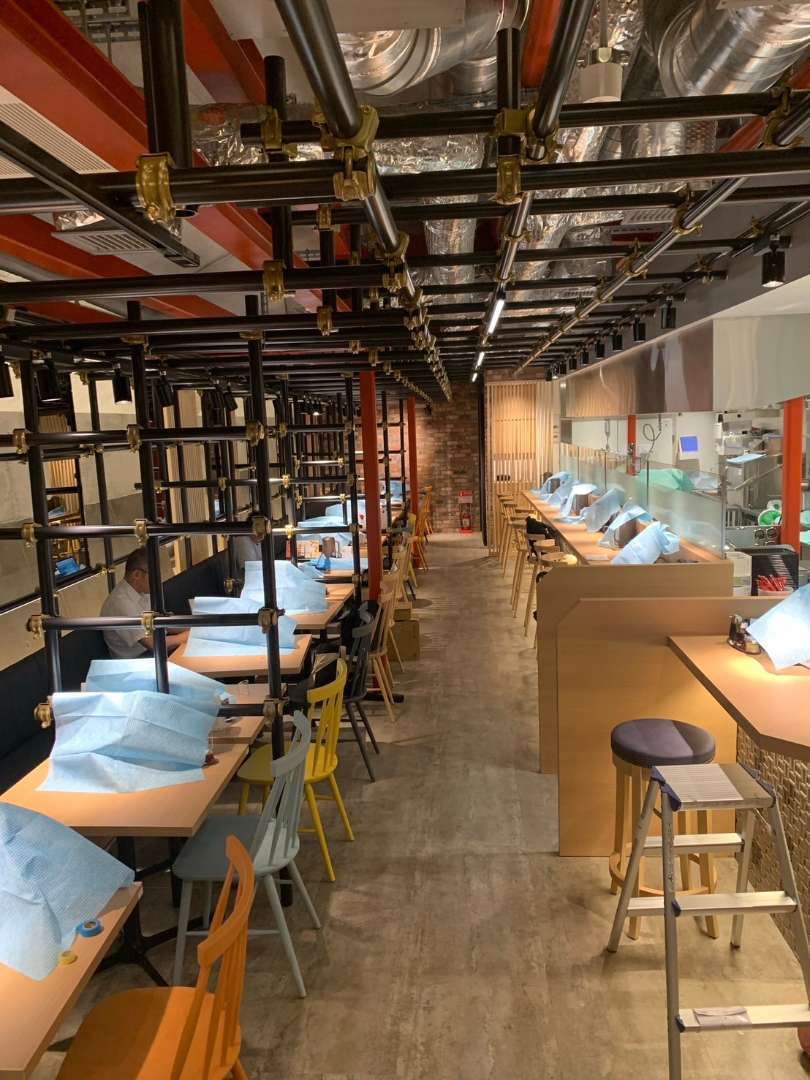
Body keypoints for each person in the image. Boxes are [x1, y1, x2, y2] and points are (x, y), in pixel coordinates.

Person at [100, 549, 187, 659]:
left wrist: (196, 627)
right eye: (153, 575)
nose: (158, 580)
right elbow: (152, 644)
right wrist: (188, 636)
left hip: (152, 652)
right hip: (137, 660)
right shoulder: (120, 603)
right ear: (137, 575)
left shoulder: (142, 591)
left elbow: (162, 622)